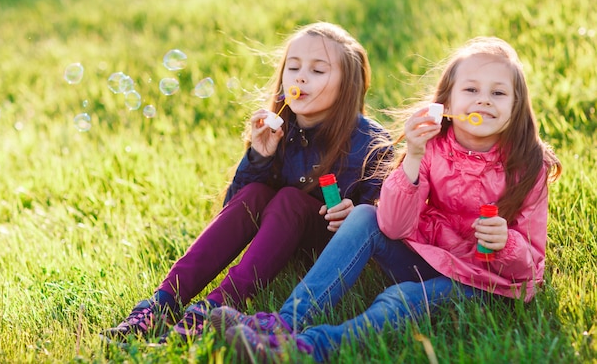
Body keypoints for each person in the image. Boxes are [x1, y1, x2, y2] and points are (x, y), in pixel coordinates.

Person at [213, 36, 562, 362]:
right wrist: (412, 155)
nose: (483, 100)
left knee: (399, 299)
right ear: (447, 103)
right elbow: (393, 226)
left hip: (484, 283)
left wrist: (507, 244)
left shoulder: (528, 166)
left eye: (498, 93)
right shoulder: (430, 147)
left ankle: (307, 347)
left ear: (517, 106)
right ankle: (284, 323)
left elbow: (532, 269)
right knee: (364, 216)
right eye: (471, 89)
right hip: (429, 260)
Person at [101, 22, 392, 345]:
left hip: (326, 252)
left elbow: (386, 224)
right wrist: (259, 156)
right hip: (276, 242)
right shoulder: (279, 128)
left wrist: (357, 213)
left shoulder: (371, 142)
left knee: (290, 200)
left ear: (347, 85)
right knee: (257, 191)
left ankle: (215, 308)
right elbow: (235, 210)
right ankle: (163, 301)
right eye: (293, 67)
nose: (300, 77)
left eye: (318, 71)